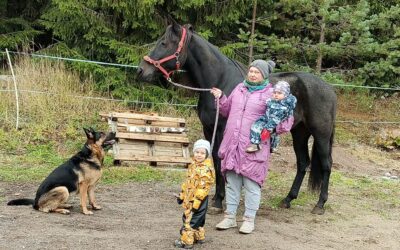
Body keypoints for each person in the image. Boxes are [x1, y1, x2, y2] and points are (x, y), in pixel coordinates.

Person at [210, 59, 294, 234]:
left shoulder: (271, 94)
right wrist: (221, 98)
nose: (253, 74)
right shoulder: (239, 89)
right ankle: (230, 217)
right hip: (232, 144)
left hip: (254, 146)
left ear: (263, 75)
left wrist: (272, 129)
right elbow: (226, 110)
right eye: (251, 71)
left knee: (251, 184)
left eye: (257, 72)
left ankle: (249, 219)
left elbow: (285, 120)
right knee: (231, 183)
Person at [174, 139, 215, 249]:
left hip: (198, 199)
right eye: (197, 152)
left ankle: (187, 241)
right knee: (197, 219)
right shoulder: (193, 165)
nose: (199, 155)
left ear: (207, 154)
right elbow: (188, 182)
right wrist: (182, 195)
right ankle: (199, 236)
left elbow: (204, 186)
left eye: (202, 153)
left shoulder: (206, 169)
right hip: (190, 197)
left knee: (191, 219)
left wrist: (197, 200)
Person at [246, 80, 297, 153]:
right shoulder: (272, 101)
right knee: (255, 126)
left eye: (279, 93)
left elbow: (276, 119)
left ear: (285, 95)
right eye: (275, 93)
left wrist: (268, 128)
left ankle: (273, 146)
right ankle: (255, 144)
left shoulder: (283, 107)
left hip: (273, 122)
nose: (276, 95)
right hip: (266, 118)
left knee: (273, 135)